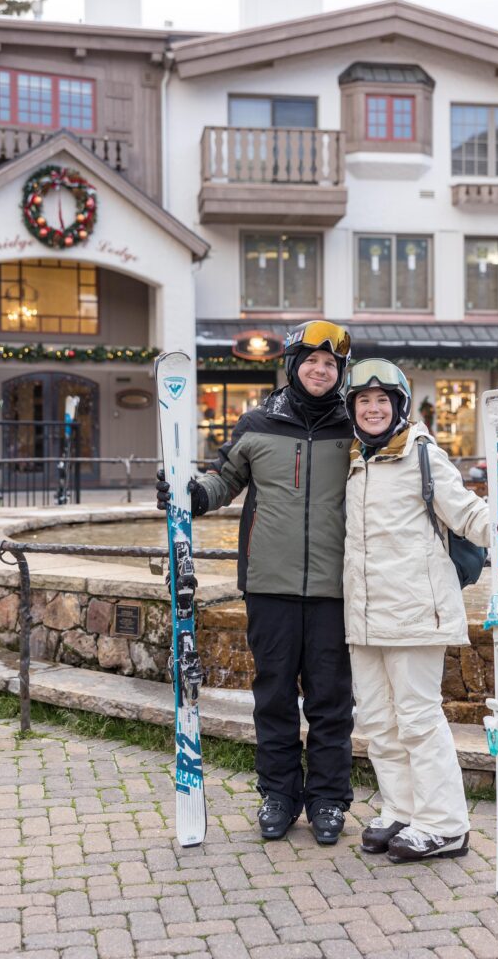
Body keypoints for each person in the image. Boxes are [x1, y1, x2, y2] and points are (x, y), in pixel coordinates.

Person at [157, 321, 354, 845]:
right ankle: (280, 795)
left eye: (330, 364)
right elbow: (224, 480)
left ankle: (330, 800)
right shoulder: (258, 422)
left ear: (340, 372)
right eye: (311, 361)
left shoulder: (354, 429)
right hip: (270, 584)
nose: (320, 370)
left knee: (331, 700)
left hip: (338, 589)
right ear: (293, 366)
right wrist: (190, 493)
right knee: (273, 696)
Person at [342, 359, 498, 863]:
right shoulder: (353, 460)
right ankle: (402, 809)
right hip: (363, 615)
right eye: (363, 401)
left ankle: (445, 824)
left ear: (399, 406)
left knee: (417, 719)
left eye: (382, 400)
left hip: (414, 609)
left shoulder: (421, 453)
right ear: (353, 409)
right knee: (380, 722)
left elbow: (465, 510)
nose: (372, 408)